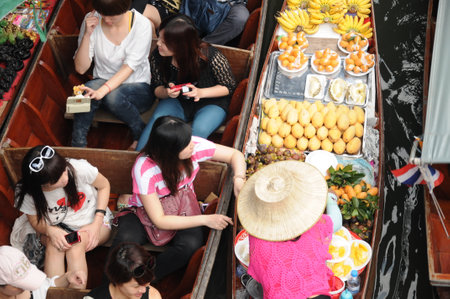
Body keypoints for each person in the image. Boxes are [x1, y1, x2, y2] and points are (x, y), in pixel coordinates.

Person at [112, 116, 246, 280]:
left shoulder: (192, 146)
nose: (192, 145)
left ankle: (146, 279)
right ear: (170, 151)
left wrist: (238, 178)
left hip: (184, 206)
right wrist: (205, 220)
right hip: (142, 213)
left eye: (189, 139)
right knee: (125, 242)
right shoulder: (145, 168)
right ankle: (109, 289)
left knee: (189, 246)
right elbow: (159, 220)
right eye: (186, 144)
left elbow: (235, 155)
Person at [11, 145, 112, 289]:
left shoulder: (78, 168)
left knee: (75, 245)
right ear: (42, 186)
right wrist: (50, 230)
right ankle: (55, 293)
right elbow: (34, 220)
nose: (65, 178)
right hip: (55, 227)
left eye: (64, 171)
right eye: (57, 180)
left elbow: (104, 185)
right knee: (55, 245)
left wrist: (97, 221)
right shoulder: (27, 191)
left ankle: (74, 294)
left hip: (93, 220)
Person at [136, 14, 236, 151]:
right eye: (159, 37)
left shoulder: (209, 55)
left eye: (164, 42)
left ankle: (179, 168)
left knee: (199, 130)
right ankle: (140, 160)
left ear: (180, 45)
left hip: (211, 102)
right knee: (158, 122)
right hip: (177, 101)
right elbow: (156, 87)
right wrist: (167, 92)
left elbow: (228, 86)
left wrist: (200, 92)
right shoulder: (158, 56)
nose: (158, 43)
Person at [237, 161, 334, 299]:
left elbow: (263, 271)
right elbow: (336, 219)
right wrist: (331, 199)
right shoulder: (317, 225)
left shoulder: (256, 237)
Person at [72, 0, 155, 150]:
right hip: (103, 85)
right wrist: (87, 35)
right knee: (80, 96)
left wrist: (101, 91)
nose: (107, 20)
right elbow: (80, 68)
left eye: (112, 17)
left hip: (138, 88)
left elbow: (128, 68)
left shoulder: (141, 25)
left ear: (125, 9)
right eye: (104, 15)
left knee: (112, 96)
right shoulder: (91, 19)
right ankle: (78, 145)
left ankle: (140, 133)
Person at [131, 0, 249, 45]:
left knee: (240, 17)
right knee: (142, 20)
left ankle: (203, 46)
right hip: (185, 13)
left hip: (228, 7)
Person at [0, 245, 86, 299]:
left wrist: (67, 277)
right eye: (19, 285)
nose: (25, 287)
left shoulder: (28, 287)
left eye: (27, 279)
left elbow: (47, 286)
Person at [84, 242, 161, 299]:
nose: (144, 290)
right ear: (117, 281)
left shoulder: (152, 296)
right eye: (136, 286)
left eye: (146, 283)